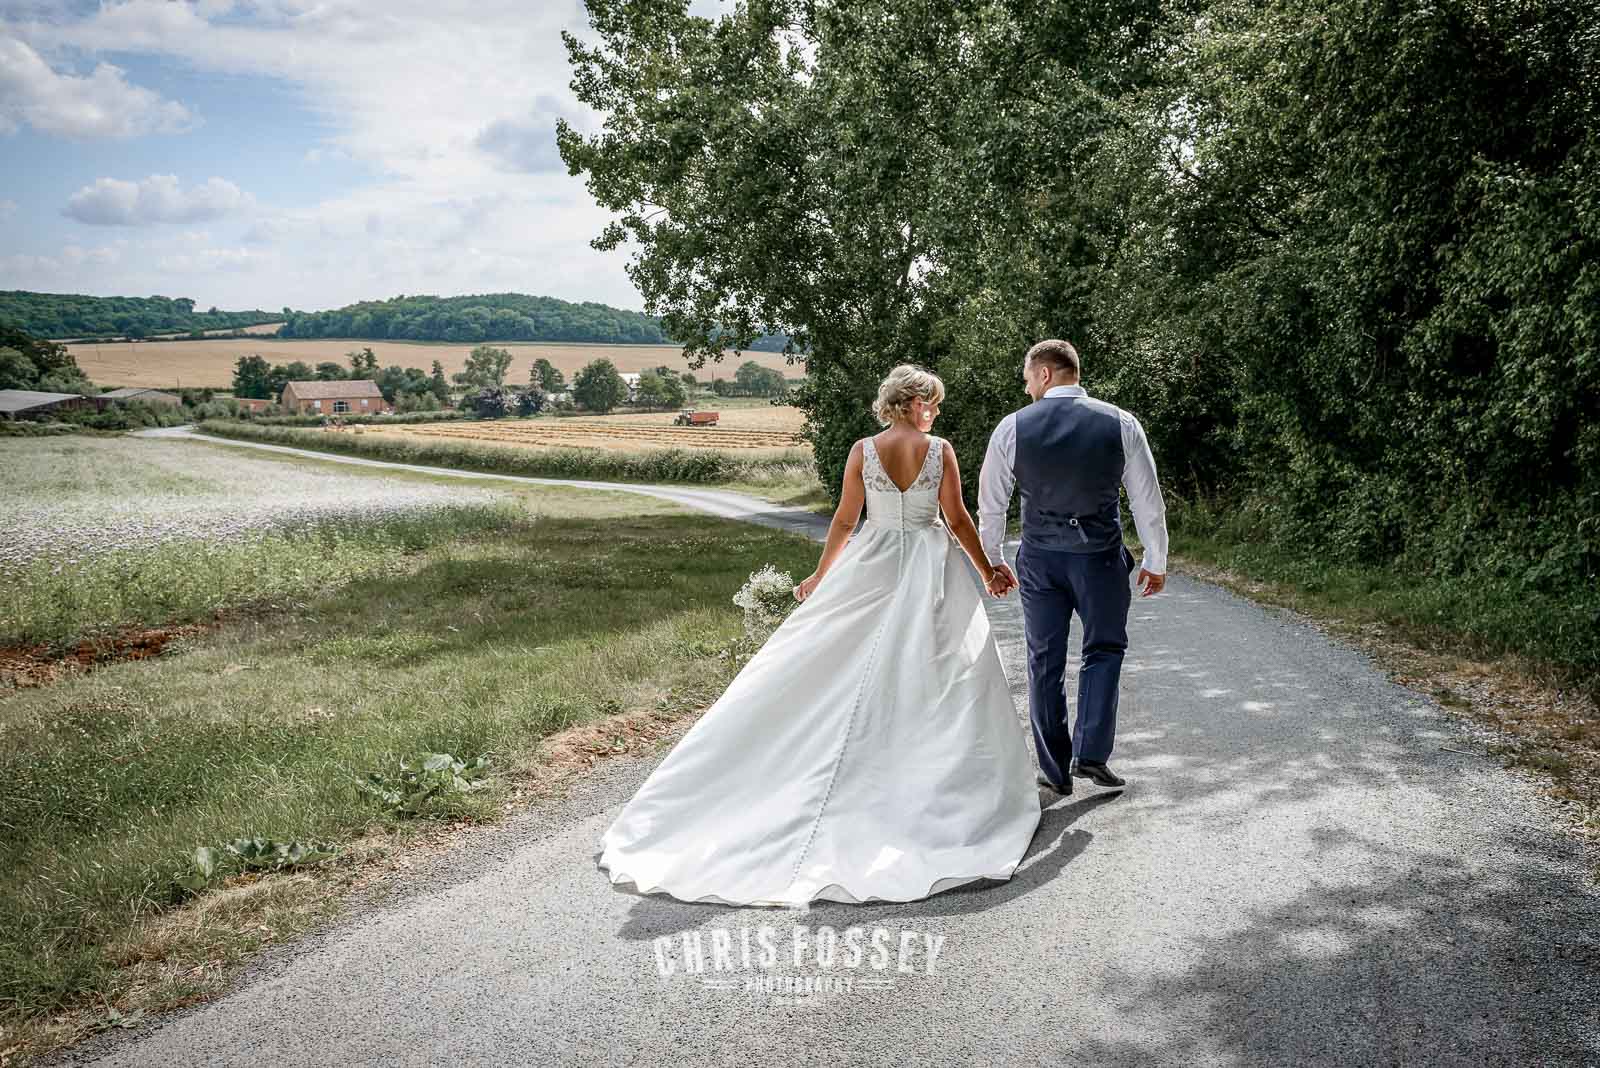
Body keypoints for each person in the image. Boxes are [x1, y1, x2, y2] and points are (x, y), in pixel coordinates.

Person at [596, 365, 1041, 906]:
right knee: (938, 667)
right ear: (913, 402)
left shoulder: (863, 450)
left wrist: (821, 575)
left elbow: (844, 521)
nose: (937, 411)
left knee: (847, 657)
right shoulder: (938, 450)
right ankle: (930, 774)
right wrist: (987, 568)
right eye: (933, 403)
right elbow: (957, 519)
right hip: (929, 564)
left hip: (872, 560)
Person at [977, 339, 1169, 795]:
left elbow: (991, 505)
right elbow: (1147, 500)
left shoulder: (1012, 427)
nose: (1027, 390)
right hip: (1100, 560)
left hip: (1040, 561)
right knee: (1103, 650)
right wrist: (1155, 560)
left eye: (1027, 379)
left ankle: (1055, 770)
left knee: (1044, 659)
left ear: (1045, 374)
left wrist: (995, 561)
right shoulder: (1121, 422)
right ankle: (1091, 753)